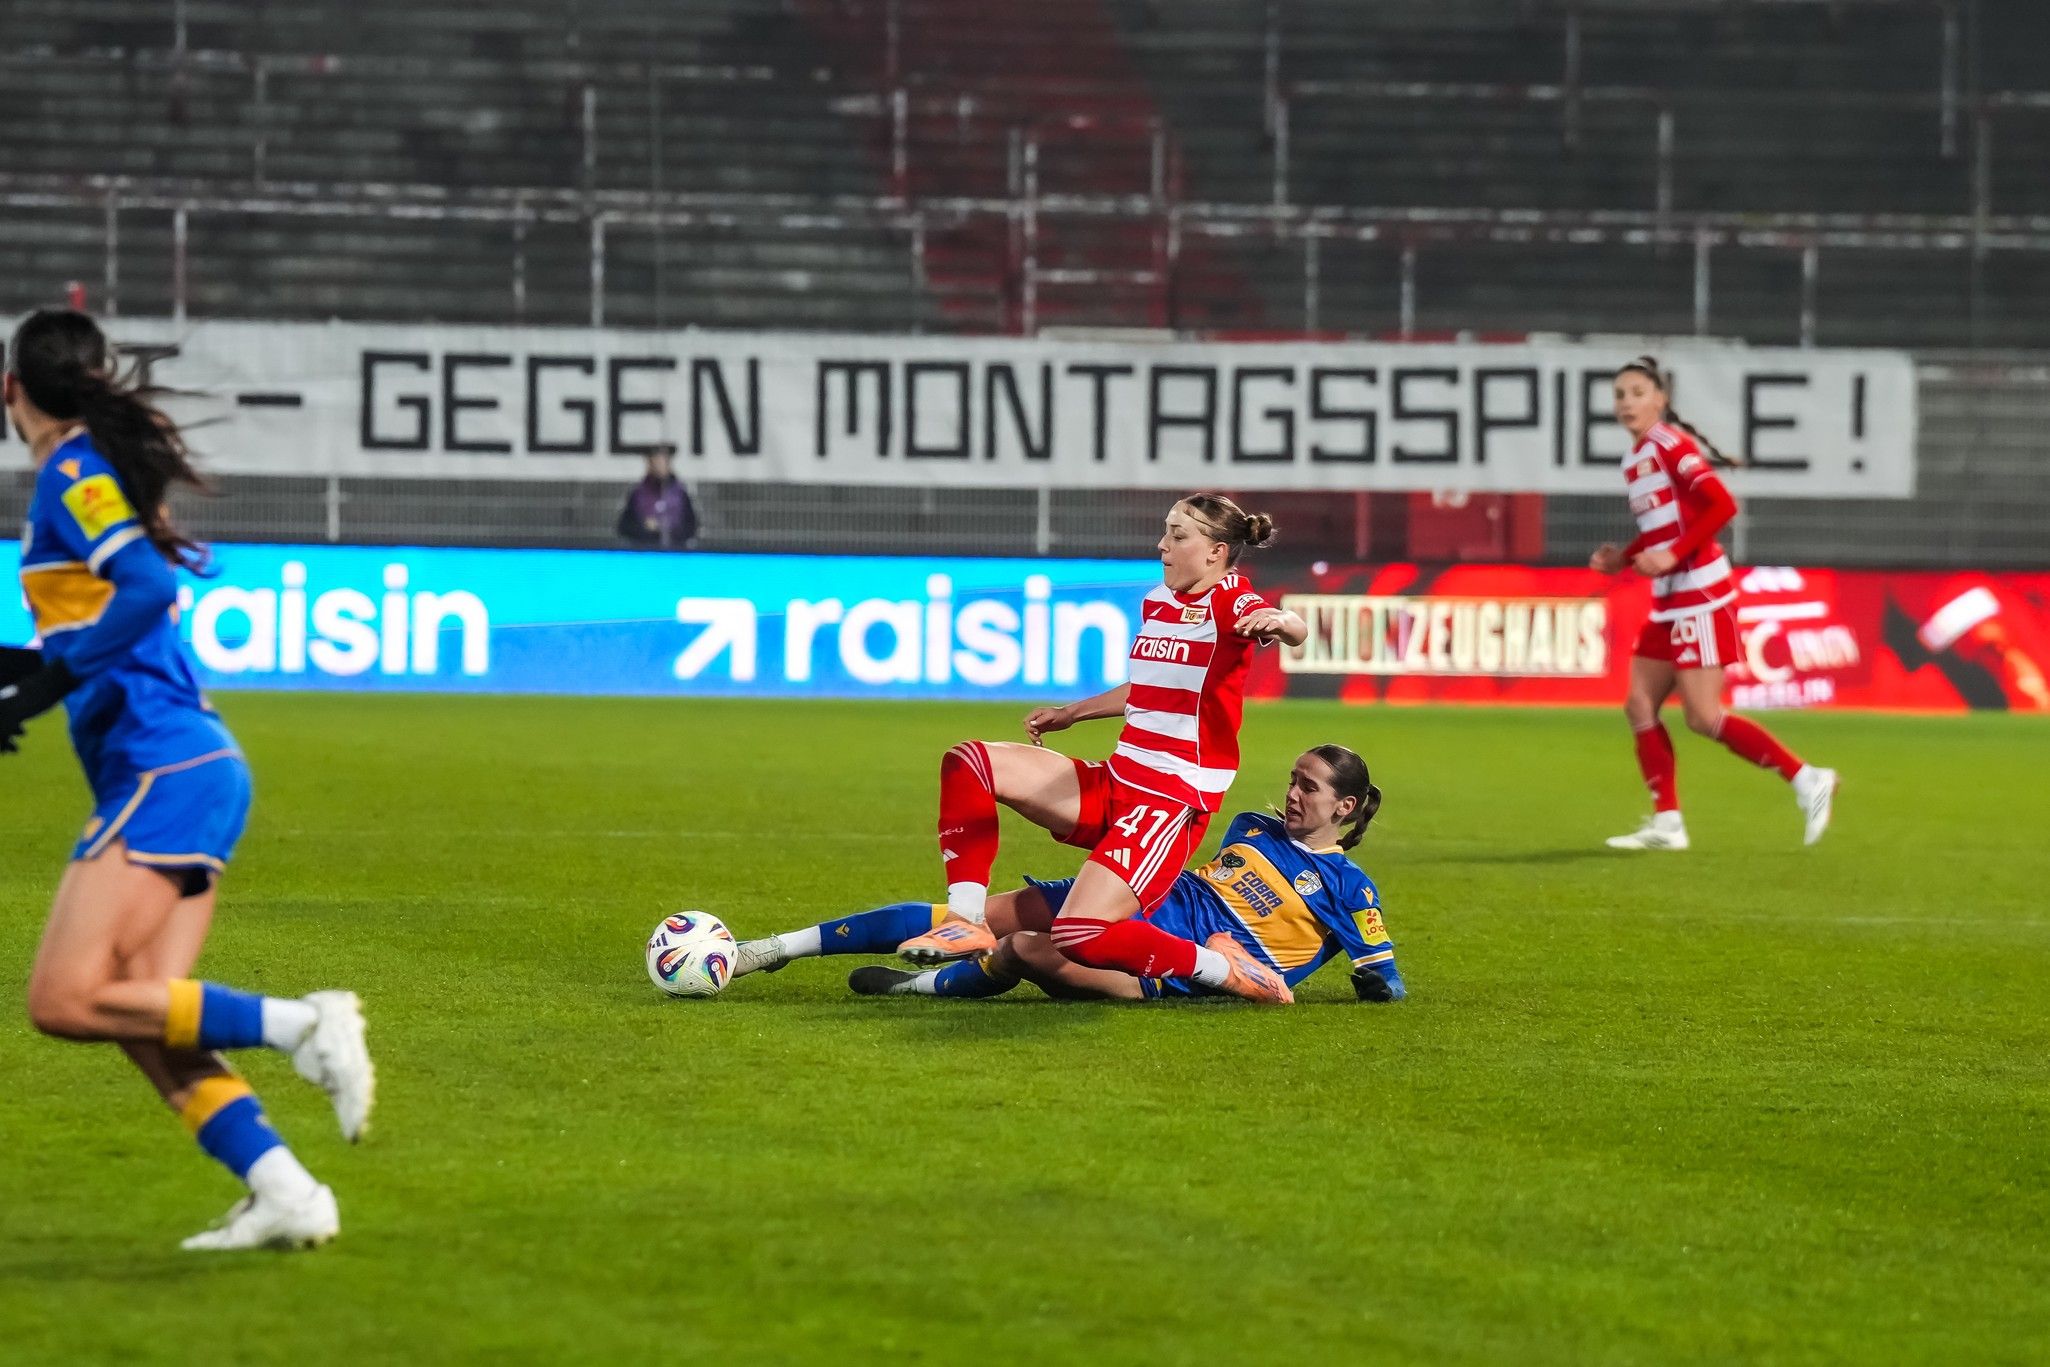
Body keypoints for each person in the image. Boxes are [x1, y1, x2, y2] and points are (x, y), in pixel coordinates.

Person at [2, 309, 375, 1252]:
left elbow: (146, 587)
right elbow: (98, 628)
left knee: (61, 998)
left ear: (11, 391)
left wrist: (41, 685)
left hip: (162, 765)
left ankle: (303, 1024)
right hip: (192, 765)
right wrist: (24, 675)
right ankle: (287, 1191)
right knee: (145, 1009)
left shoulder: (73, 473)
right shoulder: (88, 472)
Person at [878, 493, 1310, 1002]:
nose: (1162, 545)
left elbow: (1290, 625)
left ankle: (1222, 968)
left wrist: (1280, 623)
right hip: (1120, 775)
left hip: (1170, 797)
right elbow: (1147, 689)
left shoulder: (1230, 600)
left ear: (1216, 552)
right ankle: (966, 920)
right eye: (1165, 531)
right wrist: (1072, 713)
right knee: (970, 761)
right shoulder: (1160, 600)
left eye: (1177, 536)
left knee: (1079, 935)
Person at [732, 745, 1405, 1005]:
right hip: (1135, 896)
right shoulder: (1251, 827)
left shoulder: (1351, 889)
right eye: (1292, 779)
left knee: (1025, 949)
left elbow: (1382, 980)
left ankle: (916, 986)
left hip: (1163, 965)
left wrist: (1263, 976)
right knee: (981, 915)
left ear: (1343, 809)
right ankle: (773, 948)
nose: (1292, 794)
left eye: (1309, 788)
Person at [1590, 356, 1838, 851]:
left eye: (1637, 392)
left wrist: (1671, 555)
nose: (1626, 403)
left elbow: (1722, 505)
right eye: (1619, 395)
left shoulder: (1670, 445)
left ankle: (1807, 777)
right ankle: (1668, 823)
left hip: (1700, 593)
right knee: (1640, 704)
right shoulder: (1635, 458)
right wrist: (1626, 556)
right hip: (1670, 598)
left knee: (1703, 717)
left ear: (1660, 399)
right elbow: (1664, 527)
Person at [615, 443, 698, 548]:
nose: (659, 466)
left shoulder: (680, 493)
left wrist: (668, 529)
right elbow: (624, 527)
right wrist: (644, 527)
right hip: (644, 551)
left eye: (662, 461)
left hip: (674, 551)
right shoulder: (638, 493)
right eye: (655, 462)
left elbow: (691, 527)